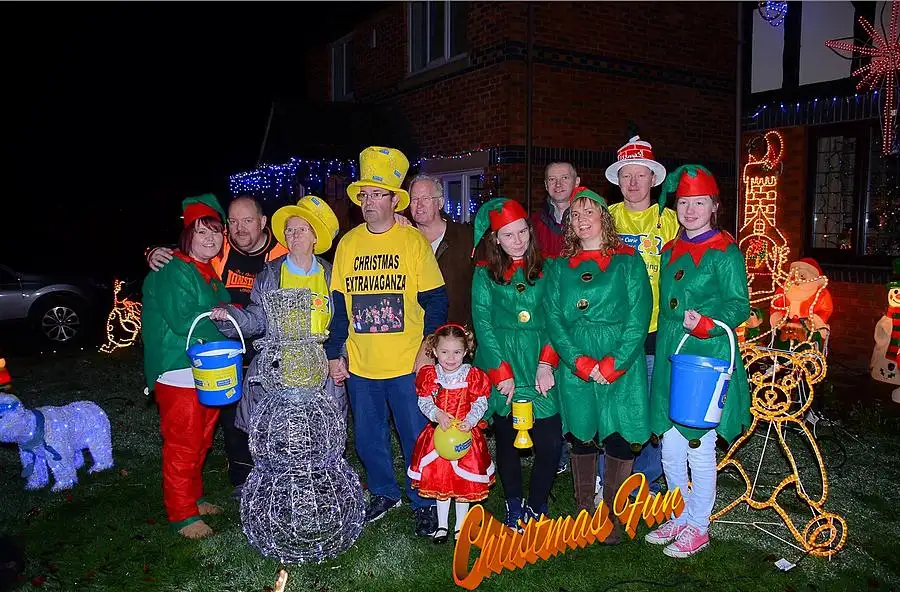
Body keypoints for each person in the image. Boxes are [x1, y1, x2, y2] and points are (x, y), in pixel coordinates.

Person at [325, 146, 448, 538]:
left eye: (378, 194)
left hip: (406, 363)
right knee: (367, 438)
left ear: (395, 200)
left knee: (416, 437)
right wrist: (334, 353)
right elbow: (339, 306)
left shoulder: (412, 242)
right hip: (362, 364)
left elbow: (436, 300)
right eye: (364, 195)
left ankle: (423, 501)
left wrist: (427, 350)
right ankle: (383, 492)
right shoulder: (348, 244)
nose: (369, 202)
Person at [146, 194, 287, 499]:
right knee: (224, 424)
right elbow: (183, 270)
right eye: (232, 222)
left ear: (263, 222)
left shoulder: (281, 254)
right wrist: (155, 252)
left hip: (263, 351)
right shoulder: (216, 255)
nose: (239, 228)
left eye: (247, 220)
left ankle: (275, 476)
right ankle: (238, 481)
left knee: (262, 420)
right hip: (208, 357)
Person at [645, 165, 751, 558]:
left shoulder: (725, 252)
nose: (690, 211)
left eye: (699, 203)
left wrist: (708, 323)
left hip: (705, 355)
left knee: (698, 445)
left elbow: (739, 305)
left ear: (714, 206)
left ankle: (700, 526)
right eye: (684, 203)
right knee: (670, 445)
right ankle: (680, 515)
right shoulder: (670, 250)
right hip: (672, 350)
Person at [544, 187, 652, 543]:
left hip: (620, 358)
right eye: (575, 215)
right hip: (576, 358)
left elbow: (639, 315)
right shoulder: (559, 267)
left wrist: (614, 363)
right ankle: (584, 510)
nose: (581, 220)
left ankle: (612, 514)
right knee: (582, 434)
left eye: (588, 212)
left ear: (604, 217)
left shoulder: (628, 261)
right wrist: (578, 361)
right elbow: (554, 319)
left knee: (619, 433)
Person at [209, 195, 345, 431]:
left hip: (321, 377)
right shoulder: (271, 274)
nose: (294, 235)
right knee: (279, 438)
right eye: (289, 230)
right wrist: (230, 316)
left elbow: (341, 323)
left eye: (302, 229)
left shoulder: (331, 275)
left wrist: (340, 358)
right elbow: (257, 319)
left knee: (317, 437)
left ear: (315, 237)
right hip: (279, 377)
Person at [141, 193, 231, 539]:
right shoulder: (173, 268)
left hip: (207, 366)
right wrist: (230, 320)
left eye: (215, 231)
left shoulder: (207, 272)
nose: (209, 239)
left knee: (202, 438)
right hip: (178, 369)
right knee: (184, 442)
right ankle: (182, 514)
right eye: (201, 231)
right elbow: (184, 320)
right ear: (187, 235)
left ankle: (193, 498)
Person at [471, 197, 561, 528]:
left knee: (550, 440)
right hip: (504, 357)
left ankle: (537, 504)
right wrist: (500, 372)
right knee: (507, 437)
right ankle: (513, 503)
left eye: (522, 231)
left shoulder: (550, 269)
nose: (518, 240)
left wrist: (547, 363)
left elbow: (557, 319)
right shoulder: (484, 274)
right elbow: (483, 324)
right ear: (496, 239)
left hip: (538, 359)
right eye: (508, 235)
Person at [603, 135, 678, 496]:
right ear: (618, 180)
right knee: (613, 404)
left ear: (653, 179)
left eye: (640, 175)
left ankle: (644, 478)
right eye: (626, 176)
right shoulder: (605, 218)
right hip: (613, 329)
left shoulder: (671, 220)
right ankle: (607, 474)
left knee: (651, 405)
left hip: (656, 328)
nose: (633, 183)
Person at [407, 324, 494, 544]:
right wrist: (437, 414)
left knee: (463, 482)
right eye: (445, 352)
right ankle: (442, 525)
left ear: (465, 352)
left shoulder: (472, 376)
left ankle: (460, 526)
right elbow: (424, 401)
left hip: (465, 435)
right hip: (439, 437)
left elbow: (480, 402)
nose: (451, 358)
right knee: (441, 482)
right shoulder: (430, 376)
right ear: (435, 352)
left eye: (457, 352)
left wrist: (470, 420)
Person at [408, 174, 475, 327]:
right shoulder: (404, 240)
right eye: (414, 199)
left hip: (456, 332)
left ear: (440, 203)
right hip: (415, 334)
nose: (419, 205)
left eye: (426, 198)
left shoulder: (467, 239)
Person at [532, 162, 580, 259]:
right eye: (552, 179)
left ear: (576, 182)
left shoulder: (590, 222)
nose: (558, 184)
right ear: (546, 185)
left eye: (565, 178)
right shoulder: (534, 223)